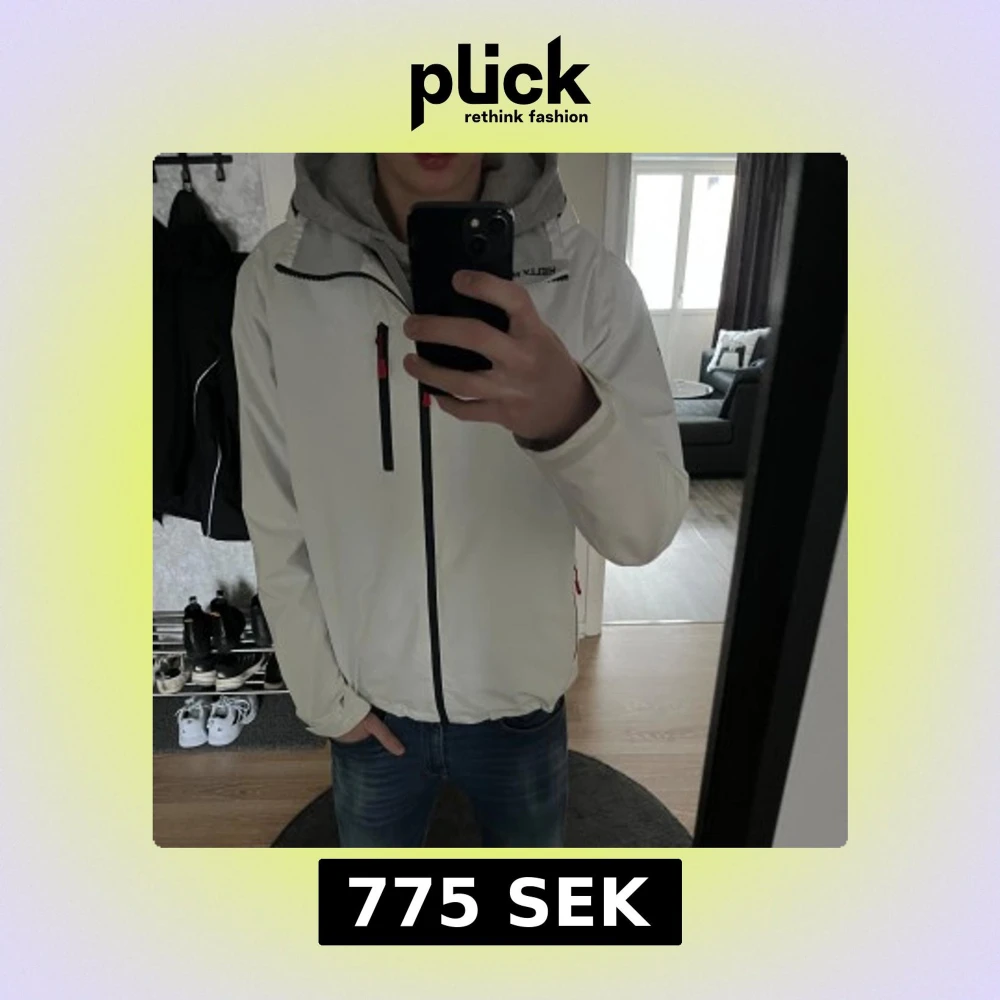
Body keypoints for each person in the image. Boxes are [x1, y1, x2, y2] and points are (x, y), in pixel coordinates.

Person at [231, 153, 689, 847]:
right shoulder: (279, 280)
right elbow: (274, 508)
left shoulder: (587, 279)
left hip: (521, 705)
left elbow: (644, 532)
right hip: (366, 704)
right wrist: (324, 699)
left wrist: (570, 412)